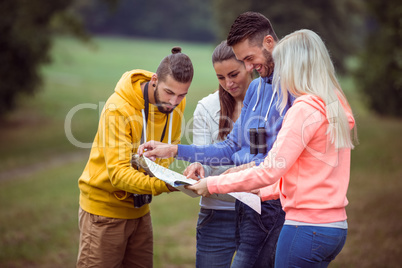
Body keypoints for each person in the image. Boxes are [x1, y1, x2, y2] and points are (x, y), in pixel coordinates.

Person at [187, 29, 358, 267]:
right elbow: (309, 173)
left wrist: (213, 184)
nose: (279, 74)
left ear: (295, 66)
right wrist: (264, 192)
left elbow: (270, 168)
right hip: (335, 228)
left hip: (304, 228)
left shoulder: (303, 109)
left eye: (282, 65)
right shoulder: (333, 104)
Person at [138, 12, 294, 267]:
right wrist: (174, 150)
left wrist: (223, 179)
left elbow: (282, 158)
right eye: (244, 61)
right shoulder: (256, 89)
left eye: (248, 60)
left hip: (271, 205)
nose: (248, 68)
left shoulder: (291, 88)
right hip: (244, 206)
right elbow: (230, 147)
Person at [76, 47, 194, 268]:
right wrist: (168, 183)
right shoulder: (118, 109)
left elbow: (170, 148)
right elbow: (119, 175)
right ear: (155, 80)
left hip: (140, 210)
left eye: (182, 95)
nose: (174, 102)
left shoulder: (176, 103)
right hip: (103, 213)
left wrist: (171, 174)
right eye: (169, 92)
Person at [183, 40, 254, 267]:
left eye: (234, 74)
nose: (228, 84)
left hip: (259, 213)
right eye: (221, 78)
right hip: (217, 212)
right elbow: (204, 155)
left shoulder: (268, 101)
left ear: (249, 66)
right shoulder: (206, 107)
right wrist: (197, 166)